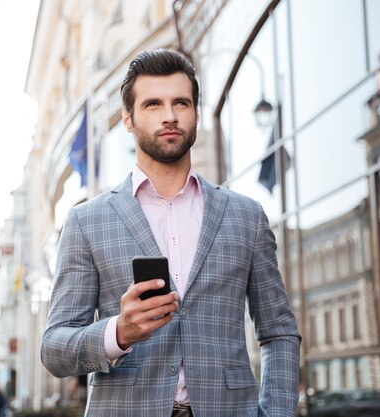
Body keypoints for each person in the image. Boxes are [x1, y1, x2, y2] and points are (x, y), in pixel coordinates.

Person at [41, 48, 301, 417]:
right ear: (127, 119)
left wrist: (277, 413)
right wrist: (118, 332)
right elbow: (54, 348)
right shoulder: (86, 221)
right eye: (152, 105)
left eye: (181, 102)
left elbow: (279, 333)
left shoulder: (246, 216)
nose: (169, 116)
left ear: (195, 111)